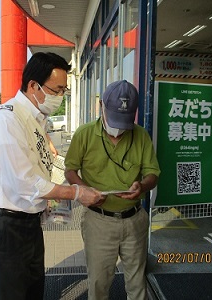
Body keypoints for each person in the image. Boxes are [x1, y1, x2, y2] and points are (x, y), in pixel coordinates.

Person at [0, 52, 103, 300]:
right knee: (9, 293)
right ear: (33, 86)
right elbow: (24, 181)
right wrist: (76, 192)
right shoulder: (7, 120)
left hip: (28, 223)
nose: (60, 97)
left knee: (32, 290)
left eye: (63, 91)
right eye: (56, 90)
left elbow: (39, 169)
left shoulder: (35, 120)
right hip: (5, 225)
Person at [64, 80, 161, 300]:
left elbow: (153, 174)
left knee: (137, 283)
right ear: (101, 106)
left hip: (135, 219)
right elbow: (70, 171)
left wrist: (142, 186)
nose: (118, 131)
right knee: (98, 283)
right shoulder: (85, 134)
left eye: (124, 123)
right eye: (114, 118)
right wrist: (84, 192)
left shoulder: (141, 135)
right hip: (99, 221)